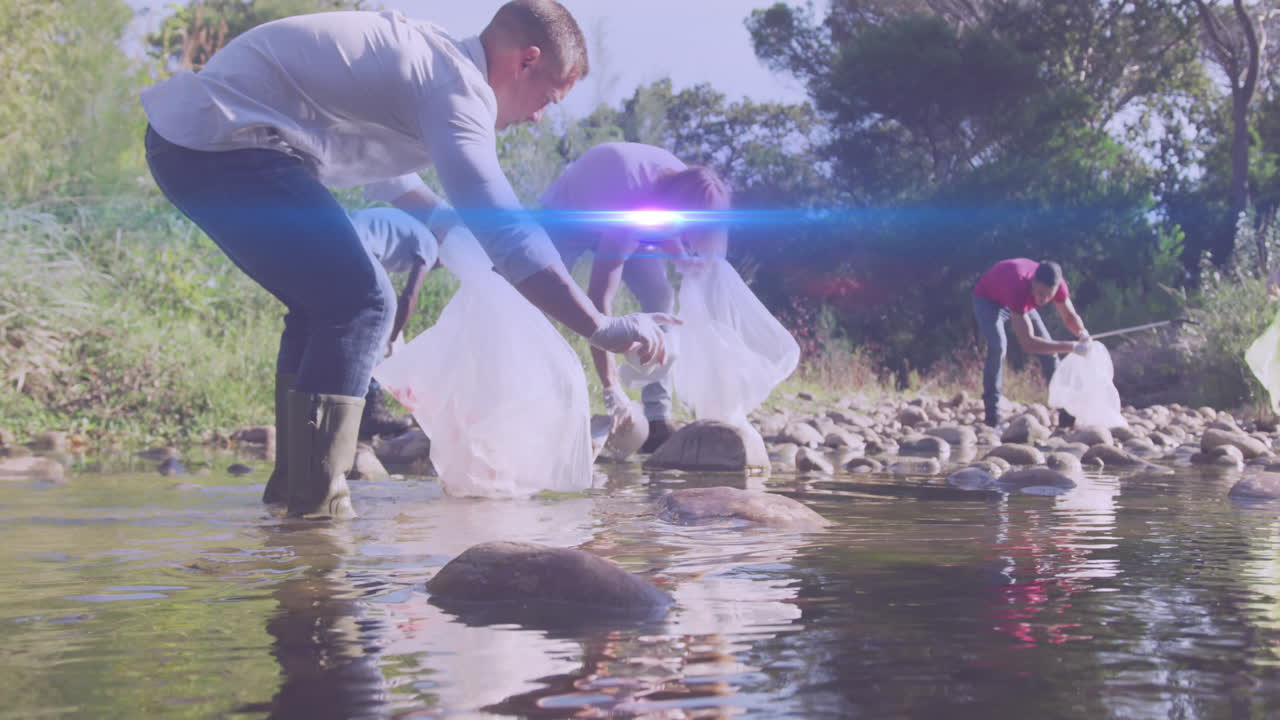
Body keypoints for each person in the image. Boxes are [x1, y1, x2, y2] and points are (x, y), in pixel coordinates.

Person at [141, 1, 674, 520]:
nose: (537, 117)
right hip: (220, 141)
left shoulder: (433, 65)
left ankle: (295, 498)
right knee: (362, 301)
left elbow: (373, 159)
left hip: (209, 142)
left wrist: (442, 220)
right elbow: (505, 227)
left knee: (323, 306)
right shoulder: (457, 87)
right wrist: (599, 325)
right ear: (526, 60)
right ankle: (317, 510)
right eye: (548, 99)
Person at [540, 142, 731, 452]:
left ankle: (657, 418)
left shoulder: (689, 188)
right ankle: (535, 392)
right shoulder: (633, 207)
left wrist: (681, 257)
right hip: (569, 215)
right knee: (543, 297)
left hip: (630, 210)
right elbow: (599, 301)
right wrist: (611, 387)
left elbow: (668, 225)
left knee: (660, 295)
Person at [346, 208, 440, 440]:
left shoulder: (406, 235)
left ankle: (348, 408)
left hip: (339, 237)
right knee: (379, 321)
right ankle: (371, 413)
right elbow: (409, 296)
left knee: (353, 327)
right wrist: (394, 335)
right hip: (357, 243)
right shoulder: (430, 244)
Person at [972, 259, 1090, 428]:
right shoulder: (1018, 287)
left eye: (1049, 295)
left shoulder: (1058, 285)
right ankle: (993, 415)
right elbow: (1028, 343)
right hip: (988, 300)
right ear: (1033, 282)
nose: (1043, 299)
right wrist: (1072, 347)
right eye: (1040, 293)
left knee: (1050, 354)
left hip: (1019, 299)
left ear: (1057, 287)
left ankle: (1065, 414)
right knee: (998, 347)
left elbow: (1069, 317)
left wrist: (1082, 333)